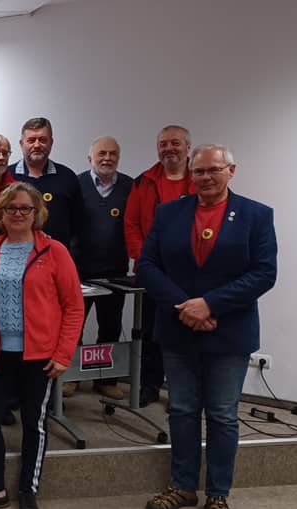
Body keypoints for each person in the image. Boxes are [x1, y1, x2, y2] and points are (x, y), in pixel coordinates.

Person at [139, 145, 277, 509]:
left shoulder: (256, 215)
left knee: (222, 414)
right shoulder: (169, 213)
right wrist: (186, 307)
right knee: (182, 409)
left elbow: (264, 273)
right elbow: (147, 265)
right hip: (178, 325)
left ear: (231, 170)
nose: (206, 177)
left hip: (229, 330)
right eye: (198, 171)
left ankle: (218, 495)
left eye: (214, 170)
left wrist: (210, 305)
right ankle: (182, 486)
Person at [0, 182, 84, 509]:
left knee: (34, 423)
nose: (17, 213)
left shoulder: (54, 251)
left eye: (24, 208)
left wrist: (63, 354)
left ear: (36, 213)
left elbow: (74, 306)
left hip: (39, 356)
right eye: (10, 208)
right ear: (0, 214)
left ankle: (28, 491)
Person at [125, 125, 196, 406]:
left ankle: (184, 389)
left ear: (188, 147)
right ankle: (149, 385)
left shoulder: (201, 179)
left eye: (175, 143)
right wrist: (144, 261)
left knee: (186, 331)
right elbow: (131, 224)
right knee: (151, 331)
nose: (169, 148)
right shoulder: (143, 181)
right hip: (153, 272)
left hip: (190, 272)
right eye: (163, 144)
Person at [62, 136, 133, 400]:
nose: (107, 158)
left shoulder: (130, 186)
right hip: (78, 270)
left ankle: (105, 379)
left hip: (114, 271)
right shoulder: (76, 184)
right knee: (74, 327)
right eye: (102, 153)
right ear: (90, 157)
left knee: (110, 327)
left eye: (113, 154)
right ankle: (71, 377)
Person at [8, 117, 83, 247]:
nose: (37, 145)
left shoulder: (67, 176)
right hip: (15, 254)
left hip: (57, 255)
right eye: (31, 140)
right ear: (21, 143)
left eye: (42, 140)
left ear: (51, 142)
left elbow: (78, 222)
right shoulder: (7, 176)